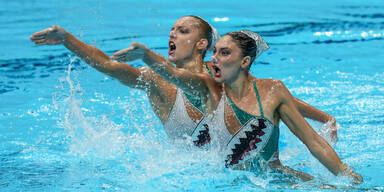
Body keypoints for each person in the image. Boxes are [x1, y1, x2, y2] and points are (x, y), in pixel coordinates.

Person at [30, 16, 336, 144]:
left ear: (202, 44)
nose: (172, 34)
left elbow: (271, 97)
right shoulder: (156, 81)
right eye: (172, 30)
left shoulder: (220, 77)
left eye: (183, 30)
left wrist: (325, 119)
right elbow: (108, 65)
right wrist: (67, 39)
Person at [121, 30, 362, 183]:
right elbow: (174, 75)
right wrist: (147, 57)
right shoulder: (209, 86)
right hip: (223, 181)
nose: (214, 58)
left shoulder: (271, 90)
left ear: (245, 61)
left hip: (274, 178)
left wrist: (346, 175)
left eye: (224, 53)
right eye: (214, 52)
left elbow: (314, 142)